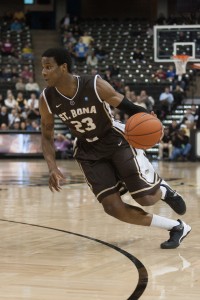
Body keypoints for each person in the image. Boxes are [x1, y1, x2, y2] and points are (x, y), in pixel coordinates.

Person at [39, 48, 191, 249]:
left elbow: (128, 106)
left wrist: (153, 121)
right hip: (88, 151)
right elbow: (47, 137)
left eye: (48, 67)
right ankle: (176, 227)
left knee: (145, 198)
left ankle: (162, 190)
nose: (44, 72)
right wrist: (52, 167)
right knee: (113, 208)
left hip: (115, 140)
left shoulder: (94, 84)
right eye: (43, 68)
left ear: (63, 67)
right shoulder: (47, 99)